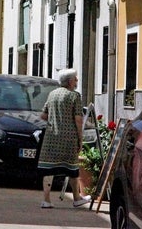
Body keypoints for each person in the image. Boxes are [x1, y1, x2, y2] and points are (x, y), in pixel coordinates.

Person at [37, 68, 91, 208]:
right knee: (72, 169)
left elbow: (43, 115)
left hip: (51, 137)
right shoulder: (74, 96)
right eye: (75, 79)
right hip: (68, 138)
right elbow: (78, 119)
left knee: (48, 169)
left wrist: (55, 119)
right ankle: (77, 198)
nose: (77, 81)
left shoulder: (52, 94)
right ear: (70, 81)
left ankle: (46, 200)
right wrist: (80, 138)